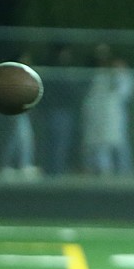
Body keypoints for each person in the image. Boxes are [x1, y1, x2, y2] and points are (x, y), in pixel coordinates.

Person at [82, 42, 134, 175]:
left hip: (113, 113)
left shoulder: (119, 73)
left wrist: (118, 74)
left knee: (119, 143)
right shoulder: (93, 74)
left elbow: (125, 92)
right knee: (99, 144)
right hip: (97, 113)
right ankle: (104, 171)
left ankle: (125, 172)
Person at [42, 44, 87, 176]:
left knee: (60, 142)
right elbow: (65, 91)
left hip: (64, 111)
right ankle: (54, 171)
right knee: (57, 142)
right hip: (57, 110)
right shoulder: (57, 71)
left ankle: (56, 169)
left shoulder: (64, 70)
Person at [0, 50, 40, 179]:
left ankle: (11, 165)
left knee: (17, 137)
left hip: (21, 110)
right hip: (15, 109)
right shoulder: (14, 75)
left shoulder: (23, 75)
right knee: (23, 137)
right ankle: (21, 164)